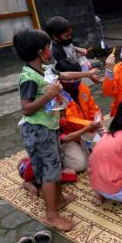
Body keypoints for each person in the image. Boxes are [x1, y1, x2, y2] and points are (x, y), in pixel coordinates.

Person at [13, 29, 97, 231]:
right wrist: (49, 95)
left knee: (56, 164)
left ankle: (58, 200)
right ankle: (51, 214)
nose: (51, 49)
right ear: (41, 50)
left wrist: (87, 73)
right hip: (37, 131)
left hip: (50, 128)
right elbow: (26, 108)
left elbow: (65, 74)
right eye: (48, 46)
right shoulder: (29, 78)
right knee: (48, 171)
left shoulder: (44, 69)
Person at [55, 59, 102, 172]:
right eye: (71, 78)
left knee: (107, 149)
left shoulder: (83, 88)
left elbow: (93, 108)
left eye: (77, 77)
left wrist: (97, 119)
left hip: (88, 130)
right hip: (69, 136)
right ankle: (58, 157)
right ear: (62, 77)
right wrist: (89, 125)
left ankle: (86, 149)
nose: (74, 81)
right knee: (80, 165)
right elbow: (69, 119)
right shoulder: (57, 95)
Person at [45, 16, 100, 83]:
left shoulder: (63, 42)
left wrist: (77, 50)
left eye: (71, 35)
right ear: (55, 37)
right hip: (68, 81)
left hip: (77, 77)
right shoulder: (57, 51)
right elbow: (69, 70)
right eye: (67, 36)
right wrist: (90, 75)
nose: (70, 38)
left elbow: (71, 49)